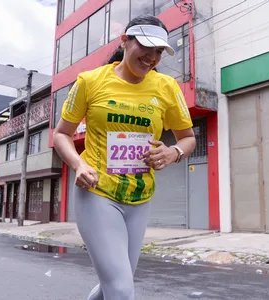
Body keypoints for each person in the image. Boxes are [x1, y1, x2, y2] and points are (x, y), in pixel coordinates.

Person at [53, 15, 196, 300]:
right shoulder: (90, 81)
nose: (152, 57)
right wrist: (78, 164)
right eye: (146, 47)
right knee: (120, 288)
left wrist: (173, 152)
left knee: (117, 284)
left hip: (140, 198)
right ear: (125, 41)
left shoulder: (167, 87)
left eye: (159, 52)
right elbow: (61, 135)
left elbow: (188, 137)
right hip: (97, 192)